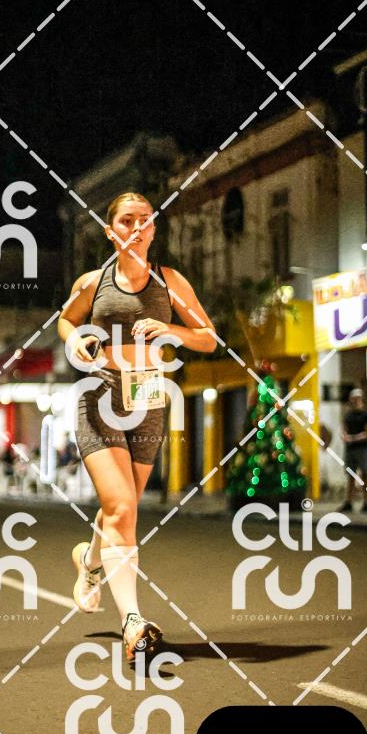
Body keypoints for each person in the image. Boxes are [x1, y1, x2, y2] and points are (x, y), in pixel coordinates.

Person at [58, 191, 216, 663]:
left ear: (153, 229)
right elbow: (66, 321)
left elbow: (208, 338)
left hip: (147, 401)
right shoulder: (93, 282)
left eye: (145, 220)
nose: (137, 227)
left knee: (121, 511)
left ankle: (89, 561)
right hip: (100, 398)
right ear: (112, 232)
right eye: (127, 220)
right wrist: (76, 340)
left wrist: (172, 331)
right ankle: (133, 623)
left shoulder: (170, 282)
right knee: (122, 505)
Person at [341, 388, 367, 512]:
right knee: (350, 475)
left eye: (357, 399)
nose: (355, 401)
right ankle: (349, 502)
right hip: (350, 448)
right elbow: (344, 429)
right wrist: (344, 436)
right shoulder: (348, 415)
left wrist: (354, 438)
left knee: (365, 475)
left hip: (362, 448)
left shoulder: (366, 414)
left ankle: (366, 502)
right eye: (353, 399)